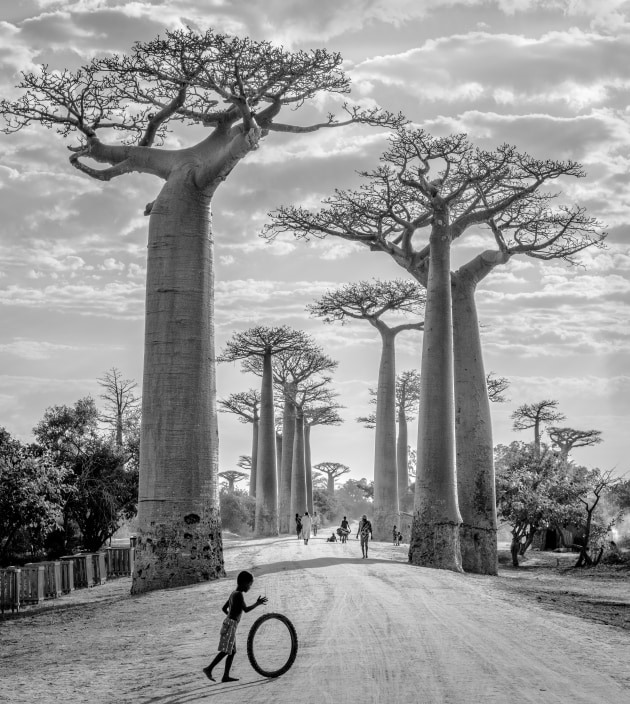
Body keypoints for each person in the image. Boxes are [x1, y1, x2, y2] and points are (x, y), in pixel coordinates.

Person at [203, 570, 267, 683]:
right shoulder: (239, 595)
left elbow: (224, 608)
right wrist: (257, 603)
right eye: (249, 584)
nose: (250, 587)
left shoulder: (233, 593)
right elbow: (246, 610)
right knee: (226, 650)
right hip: (231, 625)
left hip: (229, 623)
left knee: (232, 651)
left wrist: (230, 617)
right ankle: (209, 669)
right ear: (243, 583)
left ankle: (225, 676)